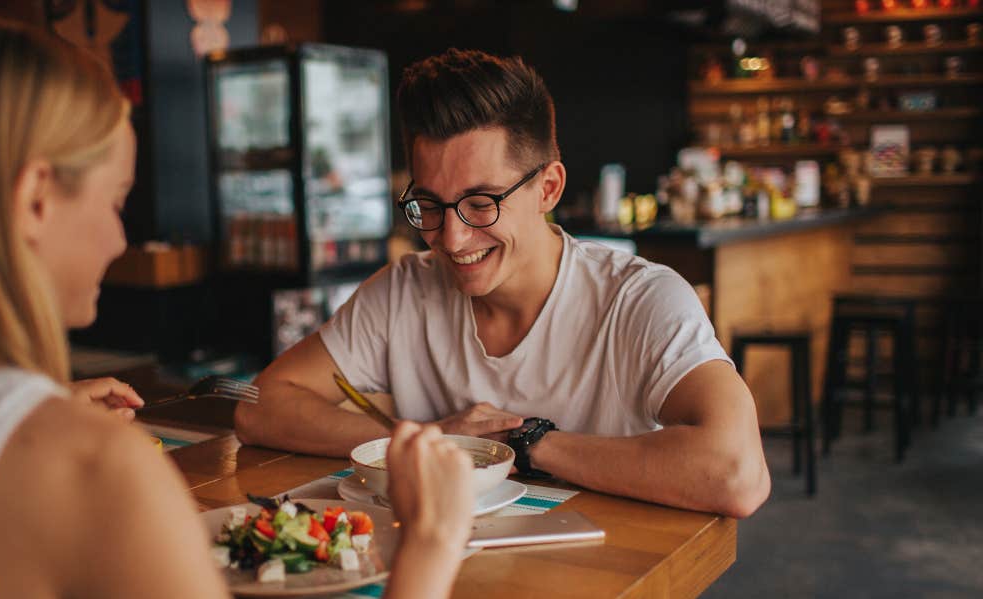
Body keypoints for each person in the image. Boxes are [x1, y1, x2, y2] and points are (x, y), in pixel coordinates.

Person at [0, 16, 474, 599]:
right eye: (117, 200)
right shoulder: (98, 470)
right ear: (35, 200)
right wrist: (431, 547)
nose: (120, 236)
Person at [235, 48, 771, 518]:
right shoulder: (404, 291)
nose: (452, 237)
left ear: (548, 188)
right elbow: (260, 405)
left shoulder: (639, 300)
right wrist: (428, 440)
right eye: (429, 204)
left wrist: (529, 445)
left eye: (480, 202)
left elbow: (737, 474)